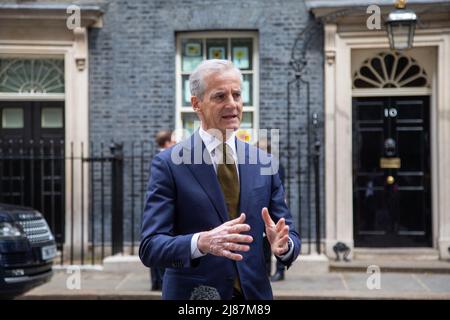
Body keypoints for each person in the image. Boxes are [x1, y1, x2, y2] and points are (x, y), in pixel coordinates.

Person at [139, 59, 301, 300]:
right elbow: (150, 246)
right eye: (220, 96)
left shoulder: (264, 161)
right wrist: (201, 242)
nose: (232, 104)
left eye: (236, 94)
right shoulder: (169, 164)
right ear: (196, 104)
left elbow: (289, 234)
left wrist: (285, 246)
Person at [257, 139, 287, 282]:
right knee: (264, 241)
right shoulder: (255, 164)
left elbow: (280, 188)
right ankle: (267, 271)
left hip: (273, 207)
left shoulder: (275, 165)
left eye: (262, 149)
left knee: (279, 238)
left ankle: (280, 270)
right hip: (262, 208)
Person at [149, 130, 176, 291]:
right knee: (159, 245)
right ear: (167, 142)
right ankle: (158, 282)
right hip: (164, 208)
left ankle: (157, 282)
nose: (175, 142)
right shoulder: (165, 159)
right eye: (173, 139)